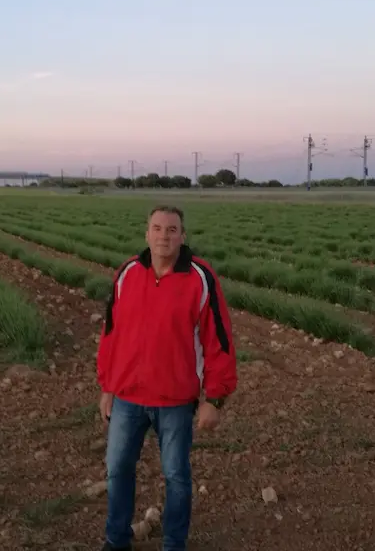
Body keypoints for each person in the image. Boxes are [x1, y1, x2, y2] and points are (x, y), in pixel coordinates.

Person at [96, 205, 238, 551]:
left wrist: (214, 398)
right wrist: (107, 386)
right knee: (117, 470)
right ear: (147, 234)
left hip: (175, 399)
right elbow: (111, 332)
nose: (164, 236)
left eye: (172, 230)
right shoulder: (128, 273)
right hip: (128, 396)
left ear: (182, 236)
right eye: (157, 229)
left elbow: (218, 339)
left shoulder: (200, 277)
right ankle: (116, 540)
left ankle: (174, 544)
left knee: (176, 477)